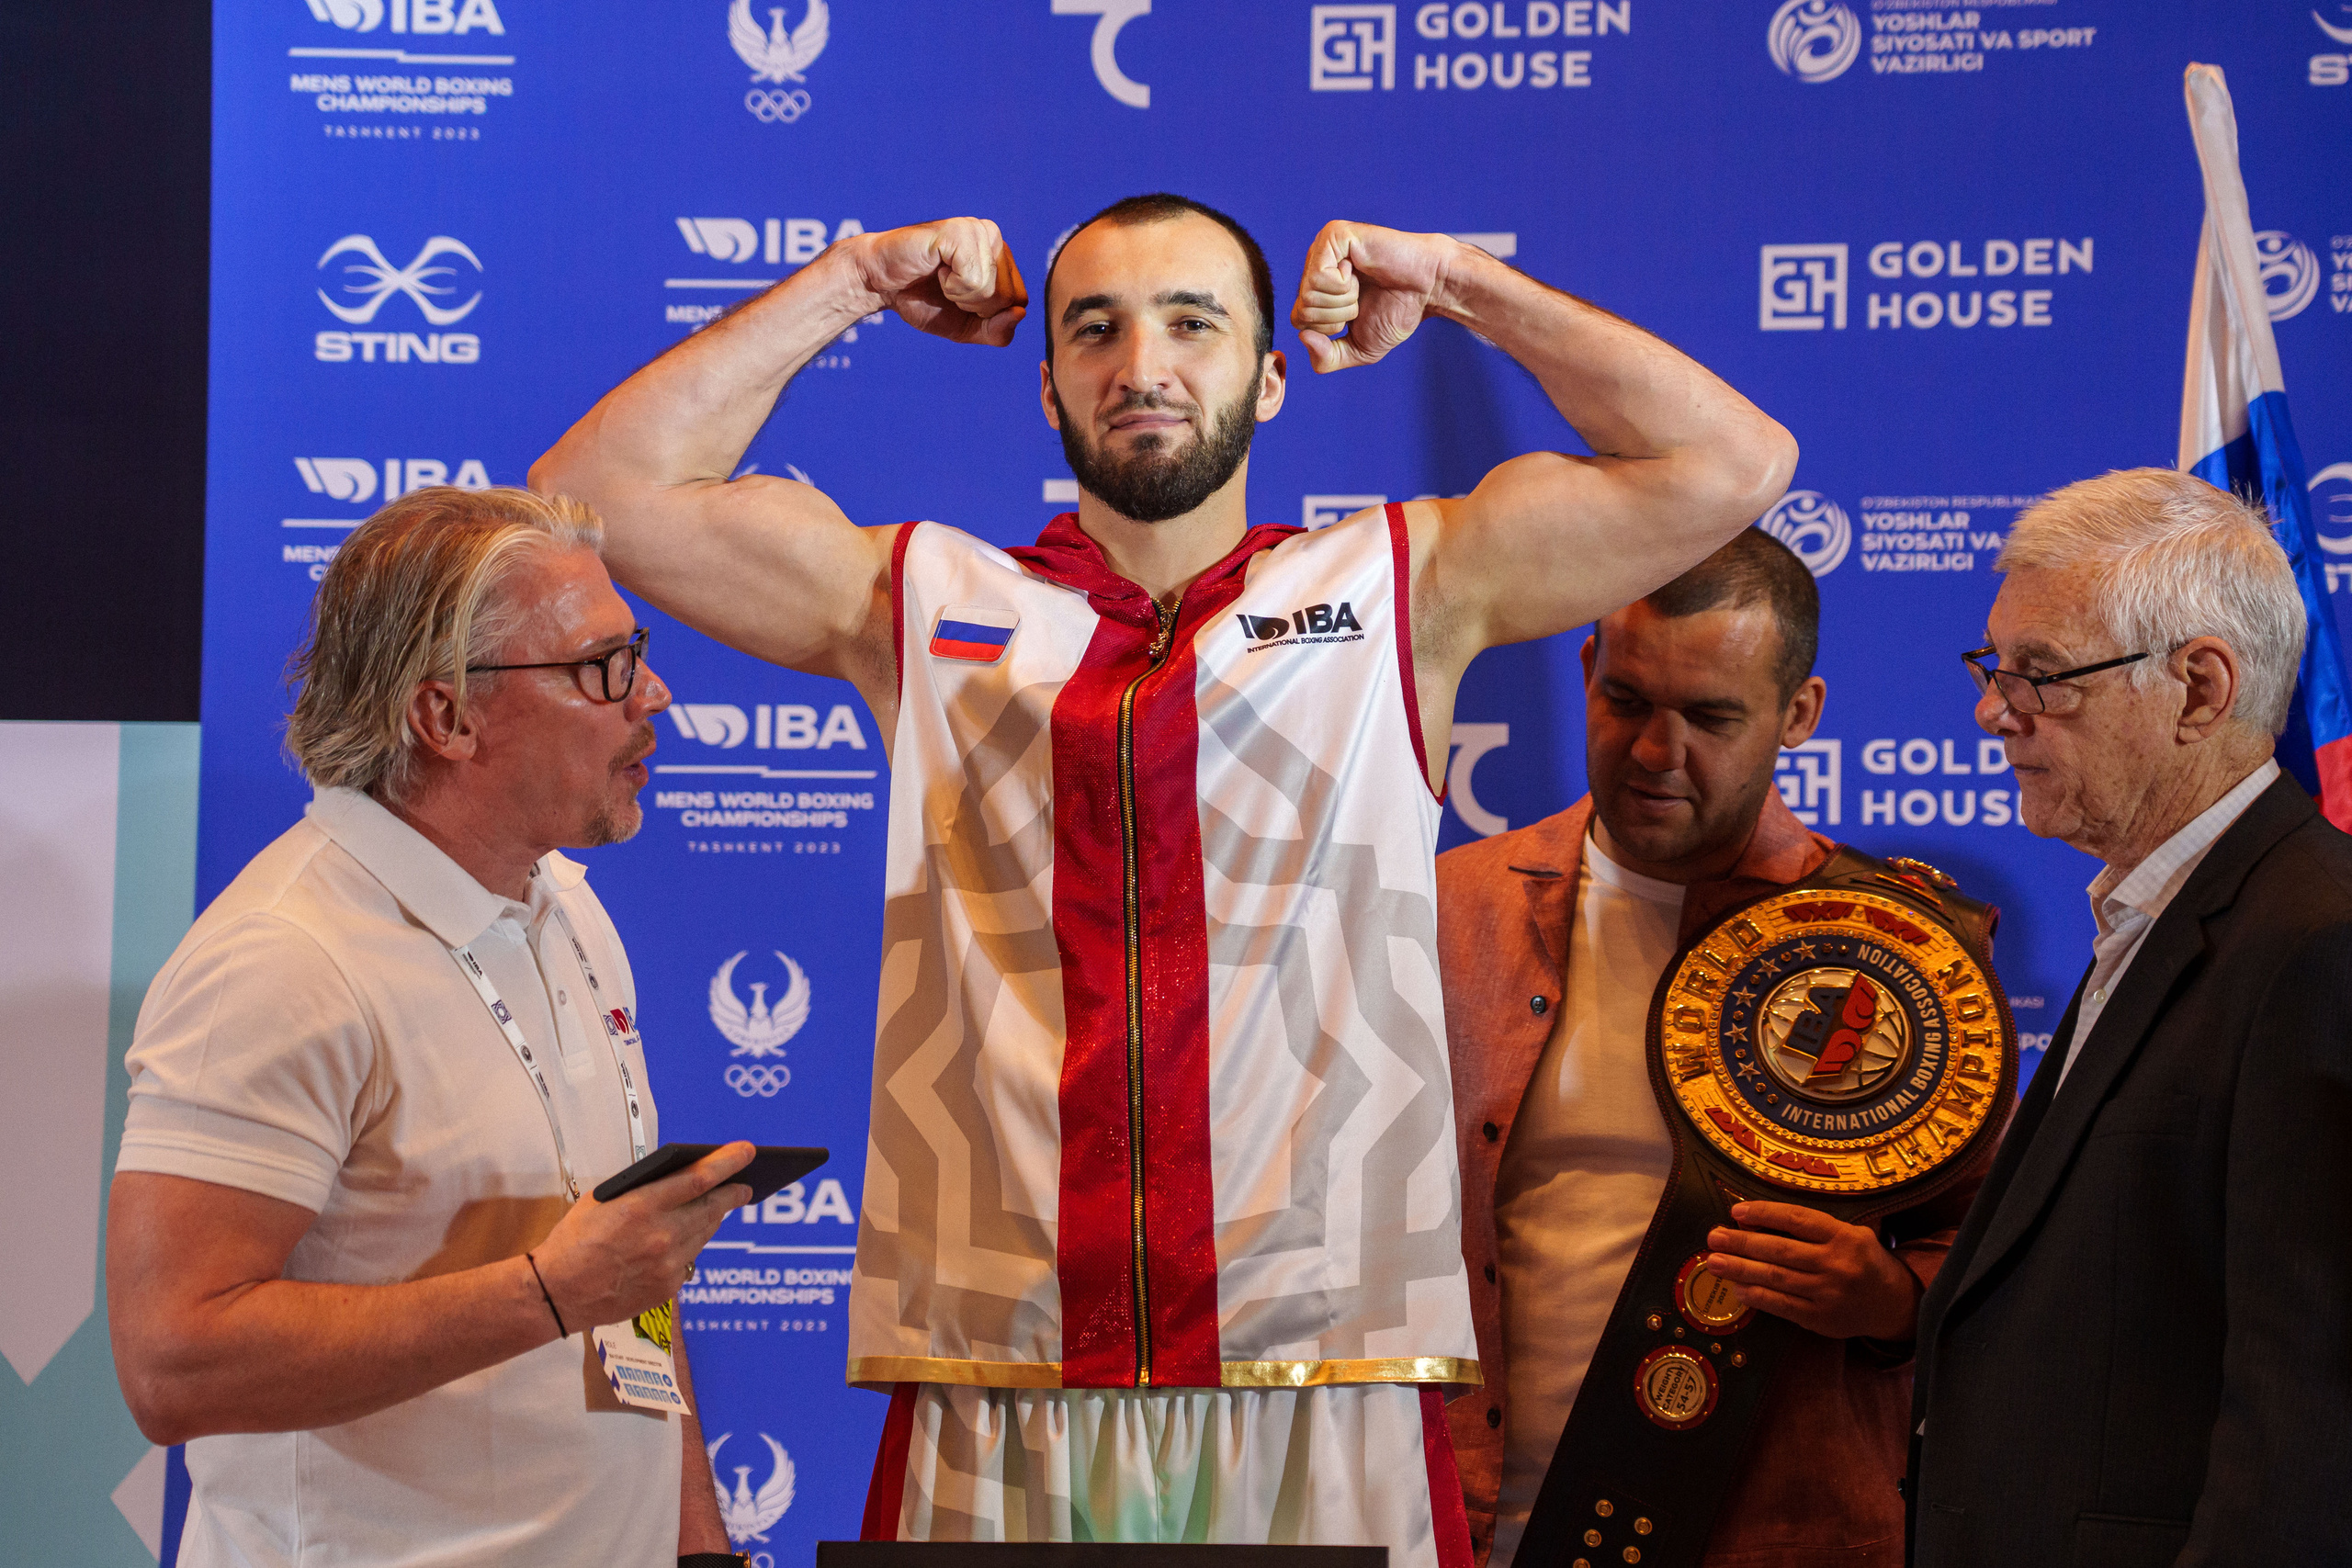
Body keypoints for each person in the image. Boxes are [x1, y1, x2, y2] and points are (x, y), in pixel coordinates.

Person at [532, 193, 1795, 1562]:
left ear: (1268, 376)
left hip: (1323, 1364)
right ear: (1050, 386)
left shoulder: (1401, 587)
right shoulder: (921, 601)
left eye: (1193, 323)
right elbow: (589, 495)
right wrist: (853, 278)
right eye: (1098, 328)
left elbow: (1733, 458)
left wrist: (1452, 278)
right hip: (1005, 1358)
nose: (1143, 364)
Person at [106, 486, 759, 1568]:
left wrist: (698, 1548)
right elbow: (174, 1365)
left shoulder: (566, 905)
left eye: (633, 650)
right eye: (601, 667)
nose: (654, 692)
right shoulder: (283, 961)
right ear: (446, 717)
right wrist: (546, 1293)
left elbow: (625, 1279)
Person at [1436, 531, 1981, 1567]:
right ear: (1585, 667)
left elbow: (1999, 1252)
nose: (1655, 752)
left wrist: (1889, 1300)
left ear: (1800, 715)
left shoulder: (1898, 948)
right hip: (1470, 1530)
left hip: (1778, 1536)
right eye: (1629, 699)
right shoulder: (1443, 909)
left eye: (1711, 717)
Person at [1909, 468, 2352, 1566]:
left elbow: (2309, 1408)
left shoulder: (2317, 943)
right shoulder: (2161, 916)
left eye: (2041, 675)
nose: (1989, 709)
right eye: (1993, 667)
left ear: (2200, 690)